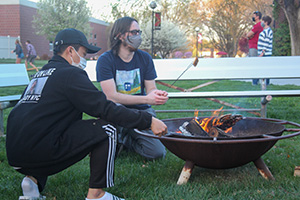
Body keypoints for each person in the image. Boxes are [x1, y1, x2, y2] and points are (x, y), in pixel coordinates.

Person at [6, 28, 167, 200]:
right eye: (83, 53)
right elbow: (105, 108)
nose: (86, 59)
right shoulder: (71, 74)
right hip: (41, 150)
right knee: (107, 128)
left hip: (15, 154)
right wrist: (148, 120)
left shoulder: (40, 75)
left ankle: (32, 182)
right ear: (70, 51)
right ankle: (97, 194)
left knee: (46, 127)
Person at [96, 17, 169, 160]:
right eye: (134, 32)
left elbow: (151, 88)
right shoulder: (105, 60)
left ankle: (126, 140)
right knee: (107, 152)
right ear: (119, 35)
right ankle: (124, 135)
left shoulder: (145, 58)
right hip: (116, 112)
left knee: (157, 153)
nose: (138, 37)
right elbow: (111, 96)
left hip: (141, 112)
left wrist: (156, 94)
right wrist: (147, 98)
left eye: (139, 32)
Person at [247, 11, 264, 85]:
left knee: (254, 64)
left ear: (257, 17)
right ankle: (256, 80)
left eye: (254, 16)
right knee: (257, 64)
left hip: (254, 47)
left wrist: (249, 36)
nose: (253, 17)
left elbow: (248, 35)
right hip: (256, 46)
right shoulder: (260, 25)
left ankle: (255, 82)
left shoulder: (257, 25)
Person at [257, 15, 273, 85]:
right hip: (262, 53)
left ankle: (266, 83)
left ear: (266, 22)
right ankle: (263, 82)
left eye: (263, 21)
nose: (262, 23)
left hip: (265, 54)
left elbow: (266, 43)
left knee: (266, 69)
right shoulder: (264, 31)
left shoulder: (268, 31)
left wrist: (262, 53)